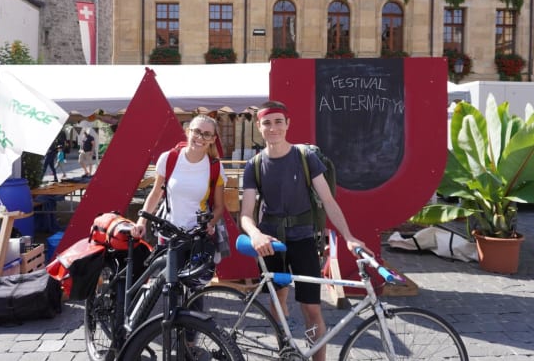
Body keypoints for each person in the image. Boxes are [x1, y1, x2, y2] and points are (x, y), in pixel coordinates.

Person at [239, 100, 370, 361]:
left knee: (311, 309)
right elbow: (245, 213)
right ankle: (285, 350)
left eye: (278, 121)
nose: (273, 127)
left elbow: (329, 201)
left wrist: (348, 237)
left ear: (288, 124)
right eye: (267, 122)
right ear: (259, 126)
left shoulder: (305, 157)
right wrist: (255, 234)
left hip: (303, 240)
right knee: (277, 302)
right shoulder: (253, 165)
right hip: (270, 241)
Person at [131, 114, 226, 287]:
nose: (200, 137)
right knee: (169, 288)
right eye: (196, 131)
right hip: (169, 235)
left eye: (206, 134)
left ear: (212, 139)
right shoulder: (169, 158)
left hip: (198, 238)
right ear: (187, 131)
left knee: (195, 293)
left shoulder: (215, 167)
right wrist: (141, 222)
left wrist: (210, 224)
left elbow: (219, 207)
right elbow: (155, 194)